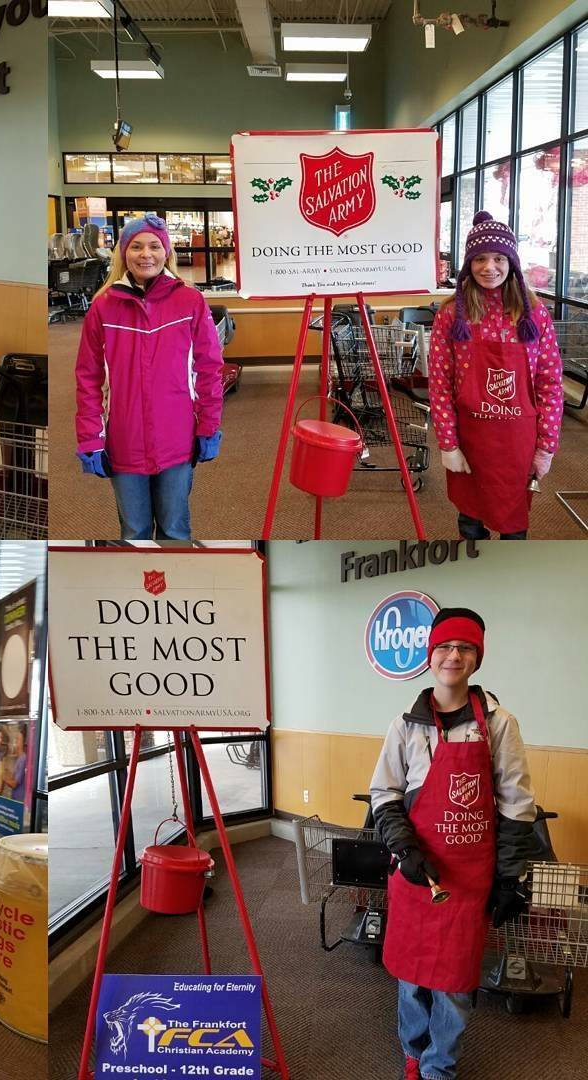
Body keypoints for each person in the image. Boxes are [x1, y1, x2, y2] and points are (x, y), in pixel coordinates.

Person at [369, 608, 536, 1080]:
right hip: (417, 872)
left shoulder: (499, 724)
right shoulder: (405, 725)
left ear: (477, 659)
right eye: (444, 647)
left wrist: (509, 878)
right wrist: (405, 851)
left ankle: (439, 1066)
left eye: (465, 648)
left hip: (470, 877)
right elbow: (385, 795)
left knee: (456, 983)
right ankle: (413, 1049)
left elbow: (517, 804)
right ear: (429, 657)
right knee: (412, 976)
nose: (453, 656)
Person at [74, 213, 223, 541]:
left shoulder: (190, 301)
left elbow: (209, 369)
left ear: (166, 251)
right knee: (135, 532)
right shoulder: (103, 308)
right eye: (137, 246)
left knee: (175, 530)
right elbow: (88, 378)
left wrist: (209, 426)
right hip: (124, 440)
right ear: (124, 252)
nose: (146, 254)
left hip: (177, 439)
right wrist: (90, 437)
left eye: (155, 246)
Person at [429, 211, 563, 539]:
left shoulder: (534, 315)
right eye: (481, 259)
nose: (490, 267)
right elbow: (440, 383)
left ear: (513, 263)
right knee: (470, 522)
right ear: (468, 264)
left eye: (500, 258)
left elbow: (550, 383)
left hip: (518, 442)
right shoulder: (451, 315)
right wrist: (448, 444)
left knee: (514, 526)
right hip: (470, 439)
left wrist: (546, 447)